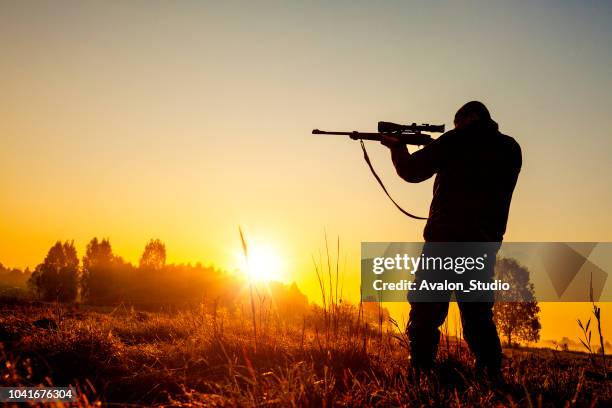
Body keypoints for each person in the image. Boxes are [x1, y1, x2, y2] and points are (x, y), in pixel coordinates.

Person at [380, 101, 522, 377]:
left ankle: (421, 370)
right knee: (478, 314)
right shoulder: (511, 149)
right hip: (483, 243)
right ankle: (491, 374)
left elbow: (411, 171)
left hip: (445, 240)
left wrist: (397, 147)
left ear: (468, 118)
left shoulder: (456, 140)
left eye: (457, 124)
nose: (455, 128)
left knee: (426, 308)